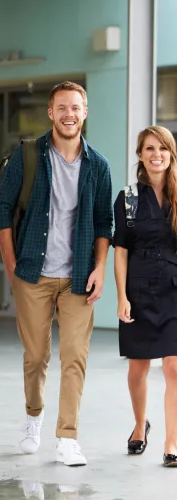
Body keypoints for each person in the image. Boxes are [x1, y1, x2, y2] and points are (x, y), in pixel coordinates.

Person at [0, 81, 113, 466]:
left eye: (76, 107)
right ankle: (33, 416)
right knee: (36, 355)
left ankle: (68, 437)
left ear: (85, 112)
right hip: (33, 272)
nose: (69, 114)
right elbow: (0, 209)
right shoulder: (28, 155)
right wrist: (12, 267)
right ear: (51, 112)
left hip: (78, 276)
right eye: (62, 107)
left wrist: (99, 267)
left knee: (74, 356)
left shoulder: (99, 165)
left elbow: (104, 222)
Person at [113, 126, 177, 467]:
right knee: (139, 369)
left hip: (173, 289)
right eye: (150, 148)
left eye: (163, 148)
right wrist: (121, 296)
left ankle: (171, 442)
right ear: (140, 154)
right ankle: (141, 424)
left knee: (174, 367)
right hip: (138, 291)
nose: (157, 154)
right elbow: (120, 250)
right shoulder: (128, 198)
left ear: (171, 153)